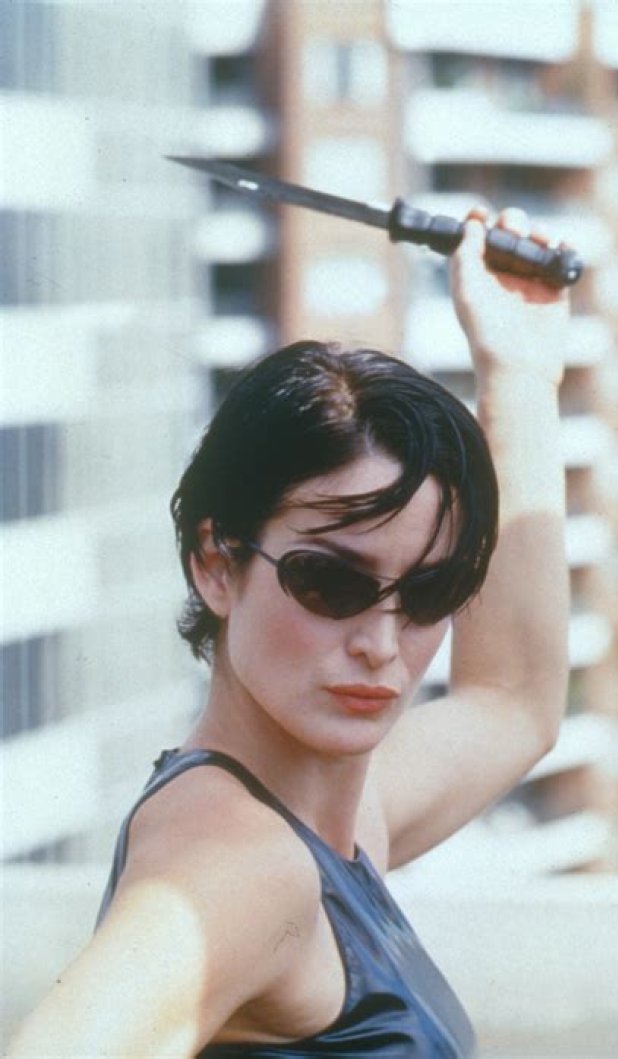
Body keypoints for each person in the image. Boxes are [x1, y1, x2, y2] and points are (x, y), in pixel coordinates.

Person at [8, 206, 570, 1057]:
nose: (382, 642)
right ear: (216, 563)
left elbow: (513, 699)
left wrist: (520, 369)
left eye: (430, 591)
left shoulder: (328, 818)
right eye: (331, 582)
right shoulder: (242, 863)